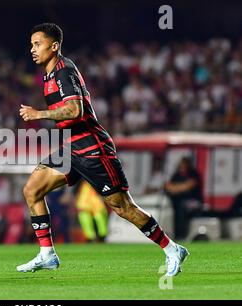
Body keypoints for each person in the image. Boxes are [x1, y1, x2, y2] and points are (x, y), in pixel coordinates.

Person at [17, 23, 189, 276]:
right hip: (70, 150)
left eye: (37, 44)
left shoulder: (64, 71)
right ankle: (47, 255)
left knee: (123, 208)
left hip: (92, 148)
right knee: (32, 189)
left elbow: (76, 110)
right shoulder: (48, 74)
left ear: (54, 46)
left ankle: (172, 248)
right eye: (31, 44)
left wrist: (38, 114)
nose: (32, 49)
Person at [165, 157, 203, 239]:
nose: (182, 165)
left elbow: (188, 186)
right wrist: (178, 188)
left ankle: (181, 235)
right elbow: (168, 187)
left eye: (184, 163)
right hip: (177, 201)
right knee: (173, 207)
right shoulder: (177, 174)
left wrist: (176, 188)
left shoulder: (193, 174)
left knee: (182, 207)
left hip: (193, 201)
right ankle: (172, 234)